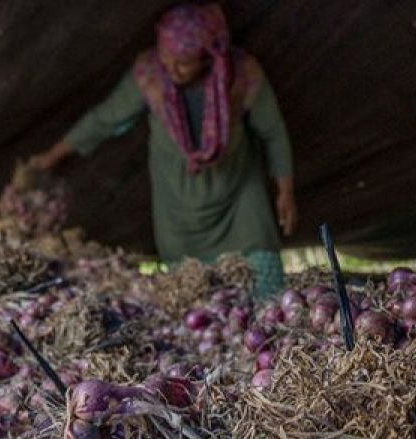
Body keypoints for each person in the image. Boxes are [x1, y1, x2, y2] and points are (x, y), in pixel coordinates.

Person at [29, 3, 296, 297]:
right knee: (200, 307)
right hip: (179, 214)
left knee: (264, 293)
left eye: (183, 63)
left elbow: (272, 131)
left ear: (209, 57)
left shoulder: (242, 75)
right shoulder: (150, 75)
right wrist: (53, 155)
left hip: (239, 200)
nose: (172, 69)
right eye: (166, 59)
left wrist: (285, 190)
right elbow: (104, 119)